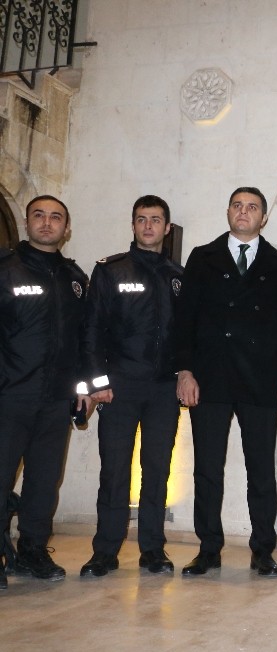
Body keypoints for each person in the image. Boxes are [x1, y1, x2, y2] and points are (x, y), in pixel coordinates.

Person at [175, 186, 277, 578]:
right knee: (207, 470)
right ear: (228, 212)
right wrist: (184, 370)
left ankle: (263, 549)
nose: (244, 212)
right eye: (237, 206)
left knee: (262, 469)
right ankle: (208, 548)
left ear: (263, 218)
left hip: (261, 381)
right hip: (209, 378)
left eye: (252, 208)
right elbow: (184, 320)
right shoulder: (202, 257)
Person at [79, 195, 184, 577]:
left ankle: (153, 551)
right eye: (141, 219)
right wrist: (99, 383)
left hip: (162, 391)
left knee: (156, 472)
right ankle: (104, 551)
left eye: (156, 220)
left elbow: (185, 336)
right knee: (114, 473)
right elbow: (91, 332)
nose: (148, 226)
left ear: (167, 228)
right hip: (119, 388)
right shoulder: (110, 271)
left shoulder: (178, 277)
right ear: (133, 225)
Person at [0, 195, 90, 587]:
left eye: (56, 218)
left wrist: (84, 389)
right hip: (10, 395)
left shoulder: (75, 279)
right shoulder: (5, 270)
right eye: (40, 215)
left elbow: (86, 342)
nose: (47, 223)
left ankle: (32, 551)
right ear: (26, 222)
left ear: (66, 228)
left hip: (56, 399)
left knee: (43, 479)